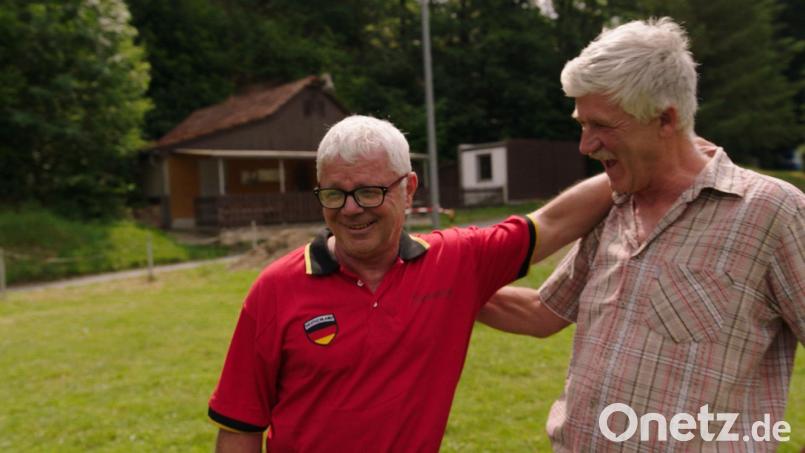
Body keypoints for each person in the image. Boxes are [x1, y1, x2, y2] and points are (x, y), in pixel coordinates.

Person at [481, 18, 805, 451]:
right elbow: (541, 313)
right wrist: (434, 283)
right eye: (582, 124)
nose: (586, 145)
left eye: (602, 125)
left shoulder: (772, 211)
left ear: (666, 119)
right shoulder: (611, 209)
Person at [207, 115, 613, 452]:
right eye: (335, 194)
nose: (351, 210)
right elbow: (240, 426)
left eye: (369, 191)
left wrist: (643, 166)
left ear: (409, 189)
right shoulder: (276, 289)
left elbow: (554, 222)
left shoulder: (454, 263)